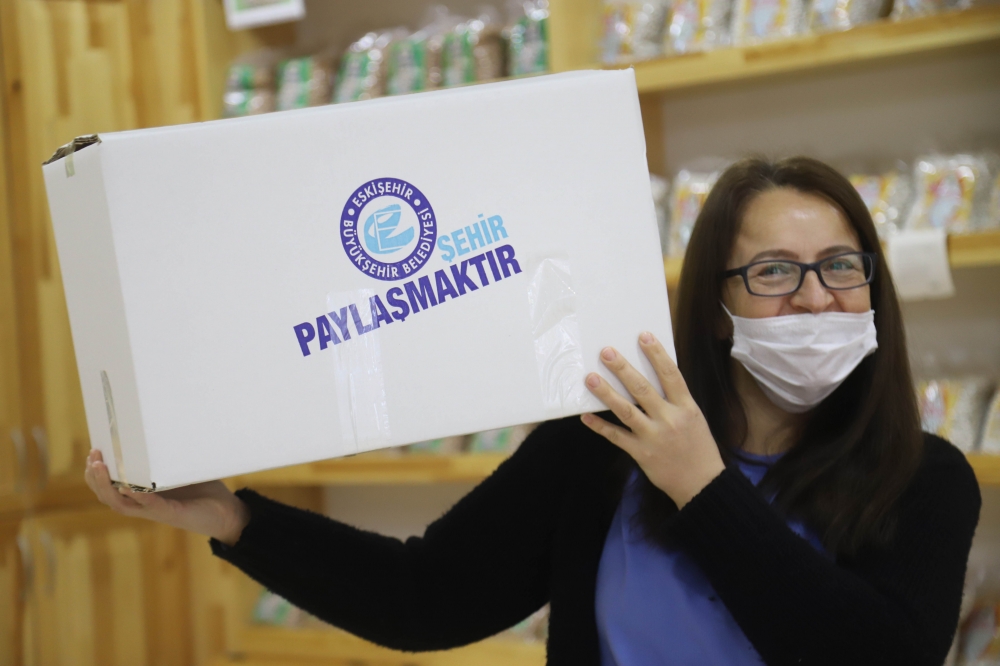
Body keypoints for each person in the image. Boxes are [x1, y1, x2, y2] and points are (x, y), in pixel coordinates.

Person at [85, 157, 981, 666]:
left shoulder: (928, 479)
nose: (817, 297)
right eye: (775, 272)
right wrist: (237, 520)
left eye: (841, 266)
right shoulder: (604, 445)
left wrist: (704, 489)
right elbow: (427, 597)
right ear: (717, 305)